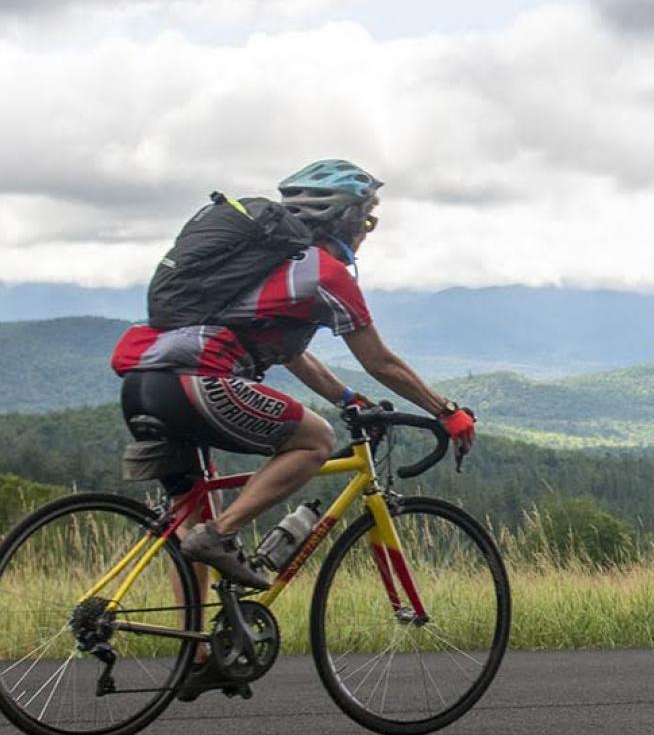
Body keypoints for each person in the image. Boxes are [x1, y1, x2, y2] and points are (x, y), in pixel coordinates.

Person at [111, 159, 475, 592]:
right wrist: (446, 411)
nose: (367, 233)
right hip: (195, 382)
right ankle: (221, 536)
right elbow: (380, 361)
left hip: (142, 383)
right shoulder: (324, 272)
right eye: (368, 220)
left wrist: (348, 399)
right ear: (347, 219)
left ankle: (199, 652)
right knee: (314, 440)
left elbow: (293, 356)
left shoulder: (267, 267)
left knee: (192, 521)